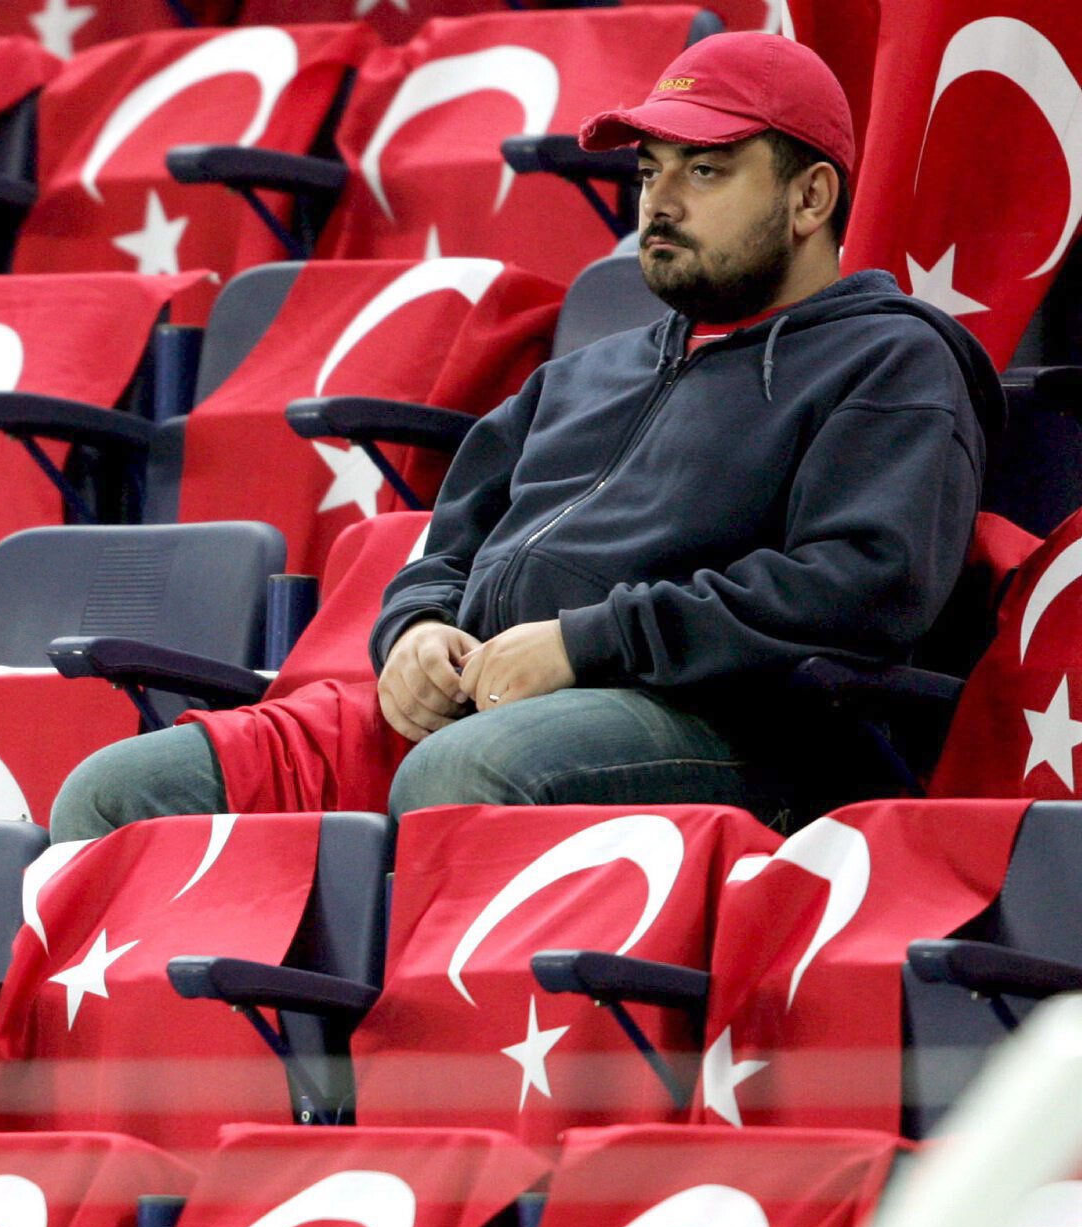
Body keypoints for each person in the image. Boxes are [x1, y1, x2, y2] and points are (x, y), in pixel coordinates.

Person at [50, 29, 1001, 842]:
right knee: (115, 794)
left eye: (705, 170)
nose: (659, 205)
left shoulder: (892, 359)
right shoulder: (583, 373)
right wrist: (415, 631)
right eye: (648, 171)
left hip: (731, 726)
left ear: (811, 198)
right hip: (487, 701)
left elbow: (865, 584)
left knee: (465, 774)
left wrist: (588, 644)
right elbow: (443, 550)